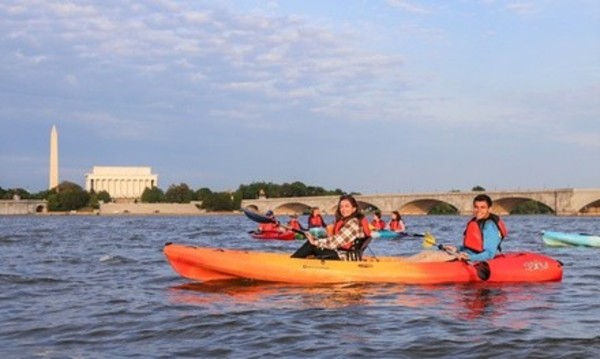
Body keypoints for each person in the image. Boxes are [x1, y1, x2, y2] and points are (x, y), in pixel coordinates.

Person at [406, 194, 507, 262]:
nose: (478, 210)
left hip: (472, 260)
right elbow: (473, 247)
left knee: (433, 257)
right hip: (464, 254)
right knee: (425, 254)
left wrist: (469, 258)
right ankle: (401, 264)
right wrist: (456, 248)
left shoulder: (490, 226)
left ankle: (403, 270)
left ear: (489, 209)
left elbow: (489, 254)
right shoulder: (476, 222)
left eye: (482, 207)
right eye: (476, 207)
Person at [292, 194, 370, 260]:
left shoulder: (353, 222)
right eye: (341, 207)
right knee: (314, 245)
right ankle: (297, 261)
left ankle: (292, 263)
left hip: (345, 257)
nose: (343, 209)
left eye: (347, 206)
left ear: (354, 209)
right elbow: (335, 241)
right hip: (343, 254)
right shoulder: (353, 221)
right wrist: (317, 240)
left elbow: (333, 243)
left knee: (311, 245)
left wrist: (314, 242)